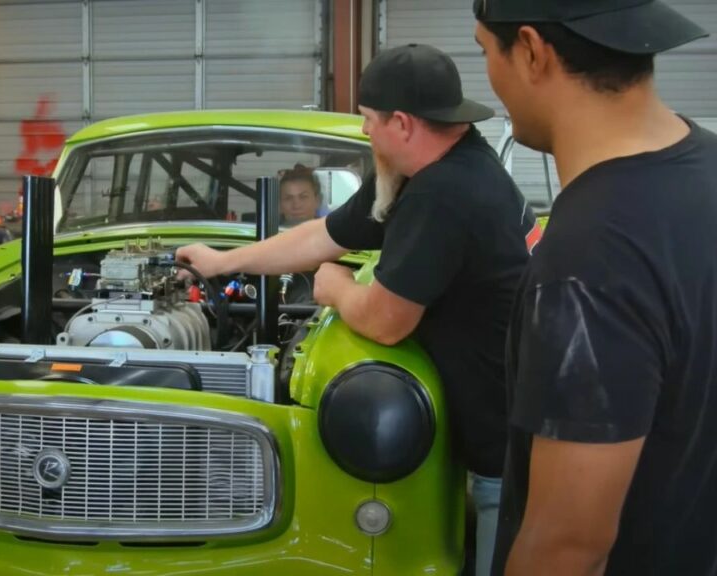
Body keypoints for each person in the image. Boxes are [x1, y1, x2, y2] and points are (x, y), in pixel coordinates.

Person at [177, 44, 539, 576]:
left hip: (506, 460)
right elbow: (324, 234)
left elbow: (385, 322)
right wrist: (222, 262)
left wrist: (336, 289)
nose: (365, 132)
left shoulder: (445, 195)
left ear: (403, 122)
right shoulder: (433, 166)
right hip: (500, 431)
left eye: (369, 121)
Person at [473, 2, 717, 575]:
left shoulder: (591, 260)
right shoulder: (707, 170)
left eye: (485, 50)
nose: (487, 74)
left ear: (532, 51)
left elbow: (568, 548)